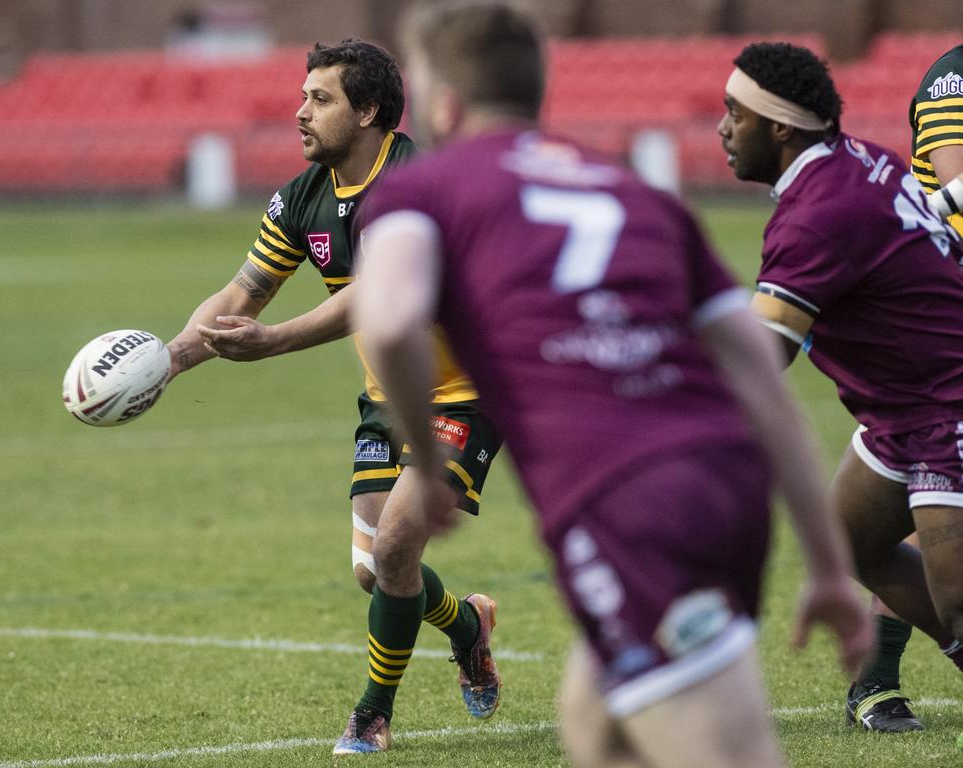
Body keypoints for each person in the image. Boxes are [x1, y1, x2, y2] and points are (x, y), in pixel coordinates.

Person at [352, 4, 872, 767]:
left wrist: (425, 473)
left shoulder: (424, 190)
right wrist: (827, 566)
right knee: (596, 725)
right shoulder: (637, 193)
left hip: (628, 504)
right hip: (722, 480)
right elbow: (764, 385)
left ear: (444, 104)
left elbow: (391, 322)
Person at [164, 38, 503, 755]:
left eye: (321, 100)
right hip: (389, 393)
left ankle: (370, 714)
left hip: (467, 391)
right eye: (303, 96)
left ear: (369, 110)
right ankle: (469, 628)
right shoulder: (301, 197)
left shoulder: (417, 179)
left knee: (398, 542)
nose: (301, 113)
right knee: (377, 570)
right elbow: (239, 296)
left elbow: (376, 290)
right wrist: (165, 364)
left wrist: (276, 340)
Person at [717, 40, 963, 735]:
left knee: (957, 606)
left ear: (781, 128)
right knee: (850, 542)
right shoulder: (856, 159)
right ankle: (882, 681)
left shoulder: (816, 215)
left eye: (735, 114)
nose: (722, 129)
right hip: (902, 410)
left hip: (947, 405)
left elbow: (761, 360)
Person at [848, 40, 963, 733]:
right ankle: (873, 678)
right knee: (926, 507)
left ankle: (873, 676)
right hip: (941, 324)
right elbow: (959, 193)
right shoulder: (954, 78)